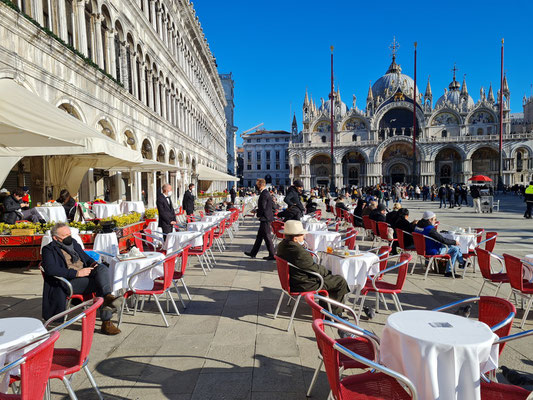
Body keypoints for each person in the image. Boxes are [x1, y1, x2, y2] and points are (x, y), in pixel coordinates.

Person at [41, 223, 122, 334]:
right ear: (56, 238)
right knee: (101, 285)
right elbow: (51, 270)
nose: (69, 236)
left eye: (69, 233)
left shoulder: (73, 243)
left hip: (85, 274)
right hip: (68, 281)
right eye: (65, 235)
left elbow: (85, 257)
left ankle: (107, 298)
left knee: (102, 269)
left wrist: (93, 264)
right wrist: (77, 273)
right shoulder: (48, 250)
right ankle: (106, 320)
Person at [276, 220, 349, 314]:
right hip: (302, 283)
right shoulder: (298, 251)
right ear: (295, 238)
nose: (304, 236)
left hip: (292, 280)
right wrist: (327, 272)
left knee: (330, 278)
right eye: (301, 235)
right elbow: (313, 268)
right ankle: (334, 314)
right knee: (340, 281)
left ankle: (327, 308)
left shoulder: (282, 245)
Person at [414, 211, 465, 277]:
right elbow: (442, 240)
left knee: (451, 247)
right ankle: (450, 270)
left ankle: (462, 262)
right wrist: (454, 242)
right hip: (432, 250)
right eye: (435, 219)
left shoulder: (417, 226)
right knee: (455, 249)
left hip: (421, 249)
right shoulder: (430, 229)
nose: (435, 221)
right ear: (430, 219)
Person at [245, 178, 275, 260]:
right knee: (259, 237)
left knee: (267, 237)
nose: (256, 186)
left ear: (260, 185)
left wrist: (257, 213)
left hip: (265, 218)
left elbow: (263, 206)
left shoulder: (264, 193)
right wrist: (257, 211)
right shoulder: (265, 193)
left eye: (257, 184)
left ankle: (272, 255)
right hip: (266, 217)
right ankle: (253, 253)